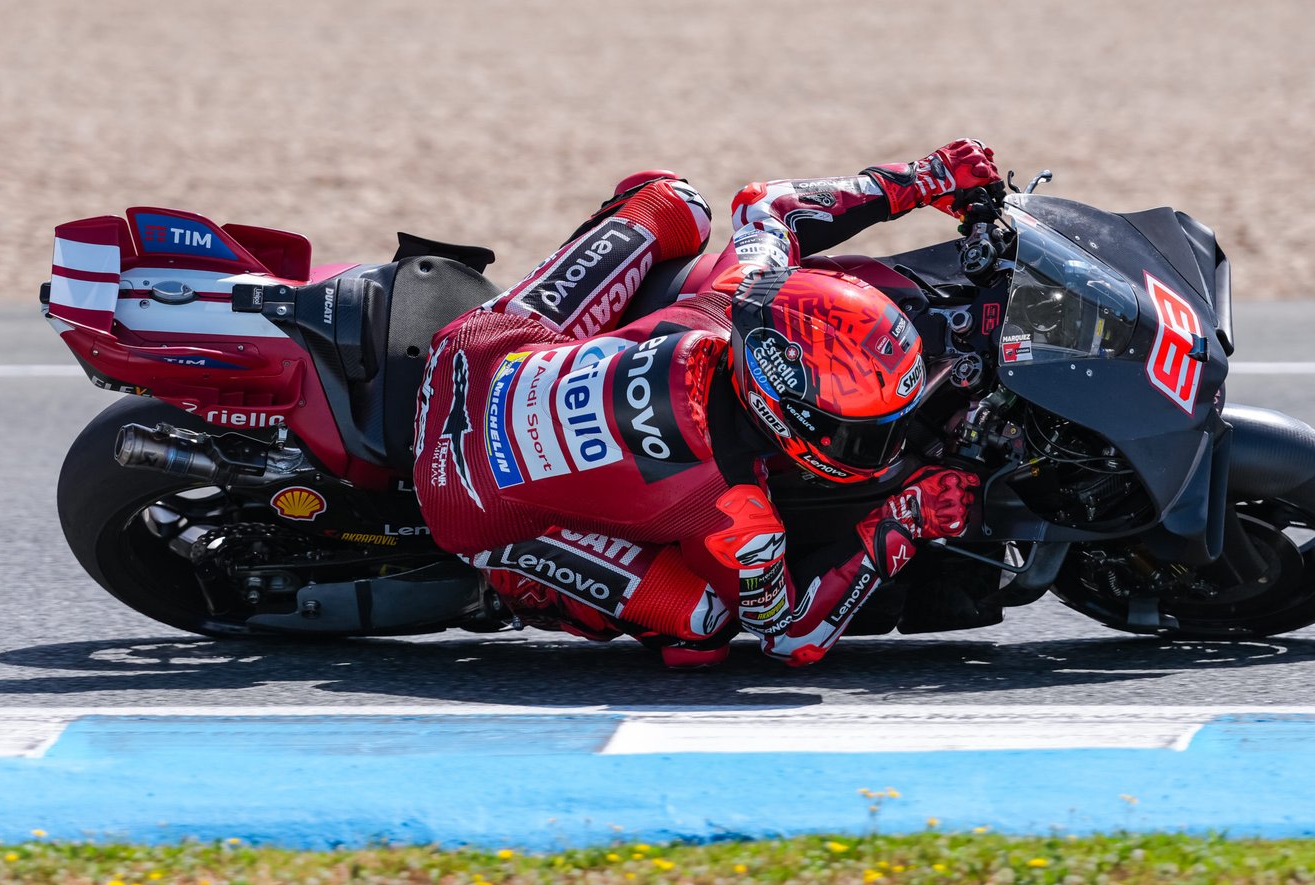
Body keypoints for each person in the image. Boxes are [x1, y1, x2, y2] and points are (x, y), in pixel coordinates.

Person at [412, 139, 1001, 666]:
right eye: (861, 432)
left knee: (675, 201)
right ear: (784, 413)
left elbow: (764, 206)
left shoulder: (741, 294)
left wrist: (922, 178)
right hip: (469, 500)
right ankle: (516, 585)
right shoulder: (741, 517)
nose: (880, 445)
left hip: (475, 351)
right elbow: (791, 634)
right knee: (702, 627)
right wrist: (905, 518)